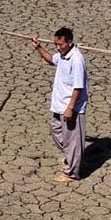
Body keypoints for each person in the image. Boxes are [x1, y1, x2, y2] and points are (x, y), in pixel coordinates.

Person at [31, 27, 89, 182]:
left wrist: (70, 108)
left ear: (69, 42)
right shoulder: (63, 55)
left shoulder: (76, 60)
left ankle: (73, 172)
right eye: (55, 44)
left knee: (73, 140)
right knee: (56, 131)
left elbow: (78, 87)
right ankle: (72, 158)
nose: (58, 47)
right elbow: (51, 59)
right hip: (58, 105)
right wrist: (38, 47)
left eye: (61, 44)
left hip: (71, 107)